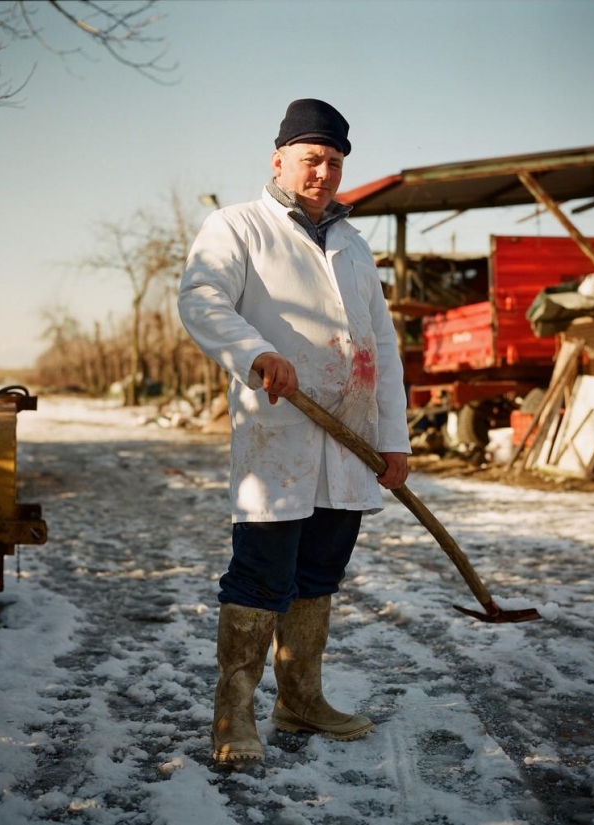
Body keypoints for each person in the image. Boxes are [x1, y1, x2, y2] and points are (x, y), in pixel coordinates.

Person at [178, 98, 410, 764]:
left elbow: (383, 349)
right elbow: (201, 298)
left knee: (318, 575)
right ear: (278, 159)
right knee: (259, 575)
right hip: (279, 433)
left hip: (350, 440)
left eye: (334, 161)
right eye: (311, 158)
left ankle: (299, 698)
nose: (323, 172)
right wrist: (253, 352)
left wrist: (393, 439)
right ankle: (233, 716)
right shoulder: (236, 226)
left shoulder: (353, 244)